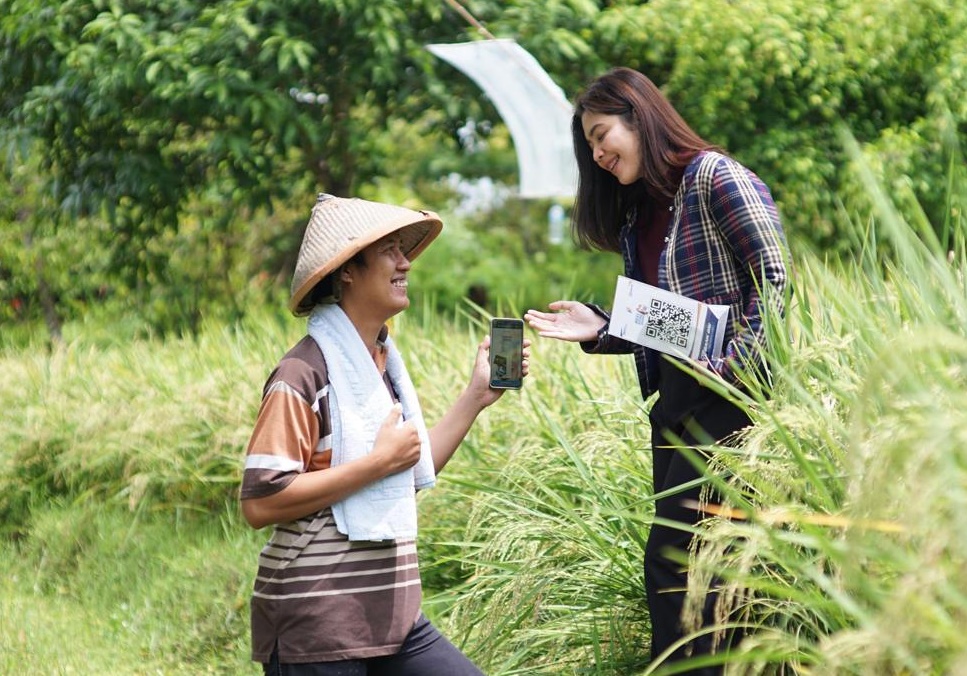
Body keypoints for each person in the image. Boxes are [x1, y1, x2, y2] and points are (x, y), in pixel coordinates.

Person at [525, 68, 789, 674]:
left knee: (677, 561)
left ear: (639, 118)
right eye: (589, 146)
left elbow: (774, 278)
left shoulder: (714, 177)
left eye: (601, 135)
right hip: (673, 403)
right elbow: (672, 322)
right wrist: (601, 325)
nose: (597, 154)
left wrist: (734, 367)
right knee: (699, 568)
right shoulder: (639, 215)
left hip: (732, 401)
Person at [241, 193, 529, 675]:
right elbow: (260, 503)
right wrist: (376, 463)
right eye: (389, 251)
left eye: (404, 250)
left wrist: (475, 397)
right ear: (347, 271)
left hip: (392, 619)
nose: (405, 263)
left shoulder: (381, 365)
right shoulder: (302, 374)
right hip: (319, 625)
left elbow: (408, 469)